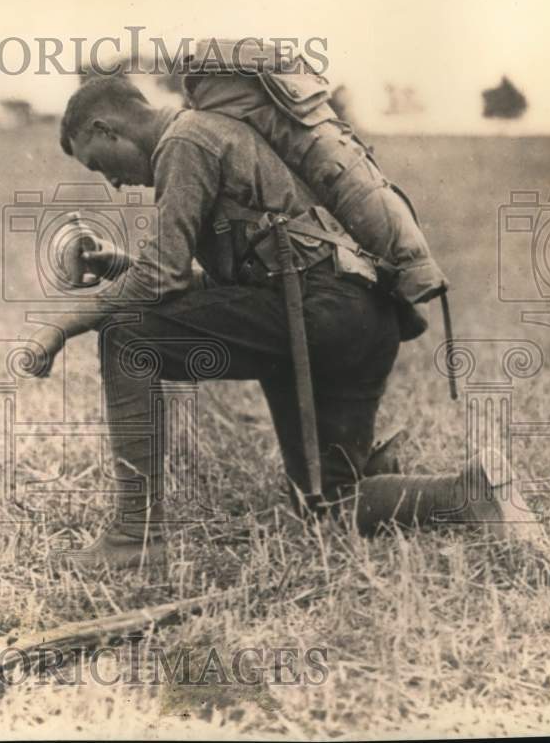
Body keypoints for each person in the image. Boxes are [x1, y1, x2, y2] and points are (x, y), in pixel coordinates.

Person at [25, 75, 503, 569]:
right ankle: (467, 494)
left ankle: (134, 536)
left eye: (102, 165)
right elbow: (219, 289)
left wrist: (60, 327)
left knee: (126, 338)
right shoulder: (215, 133)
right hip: (362, 315)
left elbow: (160, 281)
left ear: (107, 128)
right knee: (329, 504)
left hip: (314, 316)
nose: (116, 182)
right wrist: (119, 263)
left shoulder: (184, 142)